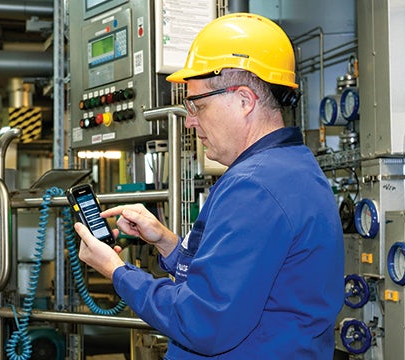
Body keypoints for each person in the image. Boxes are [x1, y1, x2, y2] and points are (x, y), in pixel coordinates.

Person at [74, 12, 345, 359]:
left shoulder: (256, 187)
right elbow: (240, 280)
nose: (190, 121)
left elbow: (203, 322)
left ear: (245, 100)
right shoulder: (293, 168)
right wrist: (168, 243)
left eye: (198, 106)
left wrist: (117, 272)